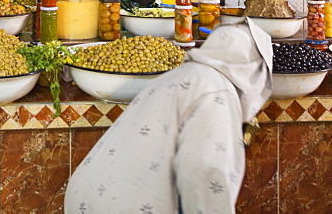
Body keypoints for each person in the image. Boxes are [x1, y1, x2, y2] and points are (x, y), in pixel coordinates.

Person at [64, 19, 273, 214]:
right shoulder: (217, 91)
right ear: (255, 70)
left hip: (90, 194)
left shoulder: (181, 75)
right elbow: (205, 173)